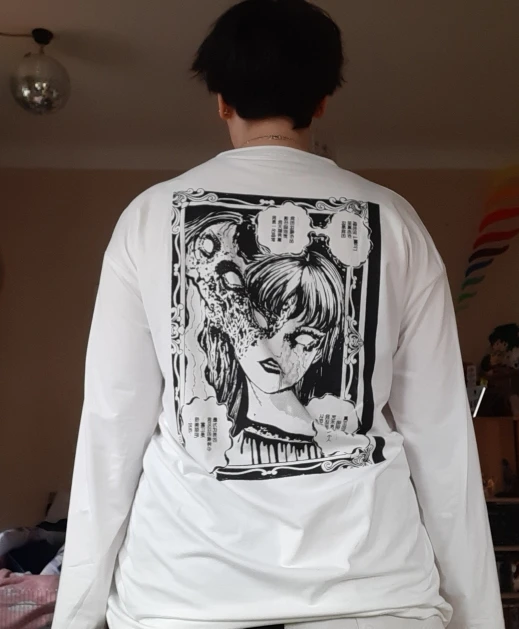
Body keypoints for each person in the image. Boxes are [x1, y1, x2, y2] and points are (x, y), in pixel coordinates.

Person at [52, 1, 503, 628]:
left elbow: (111, 427)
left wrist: (75, 617)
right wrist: (479, 617)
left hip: (184, 595)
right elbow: (443, 438)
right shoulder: (395, 223)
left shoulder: (149, 218)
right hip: (372, 596)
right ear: (322, 101)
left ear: (221, 100)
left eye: (308, 333)